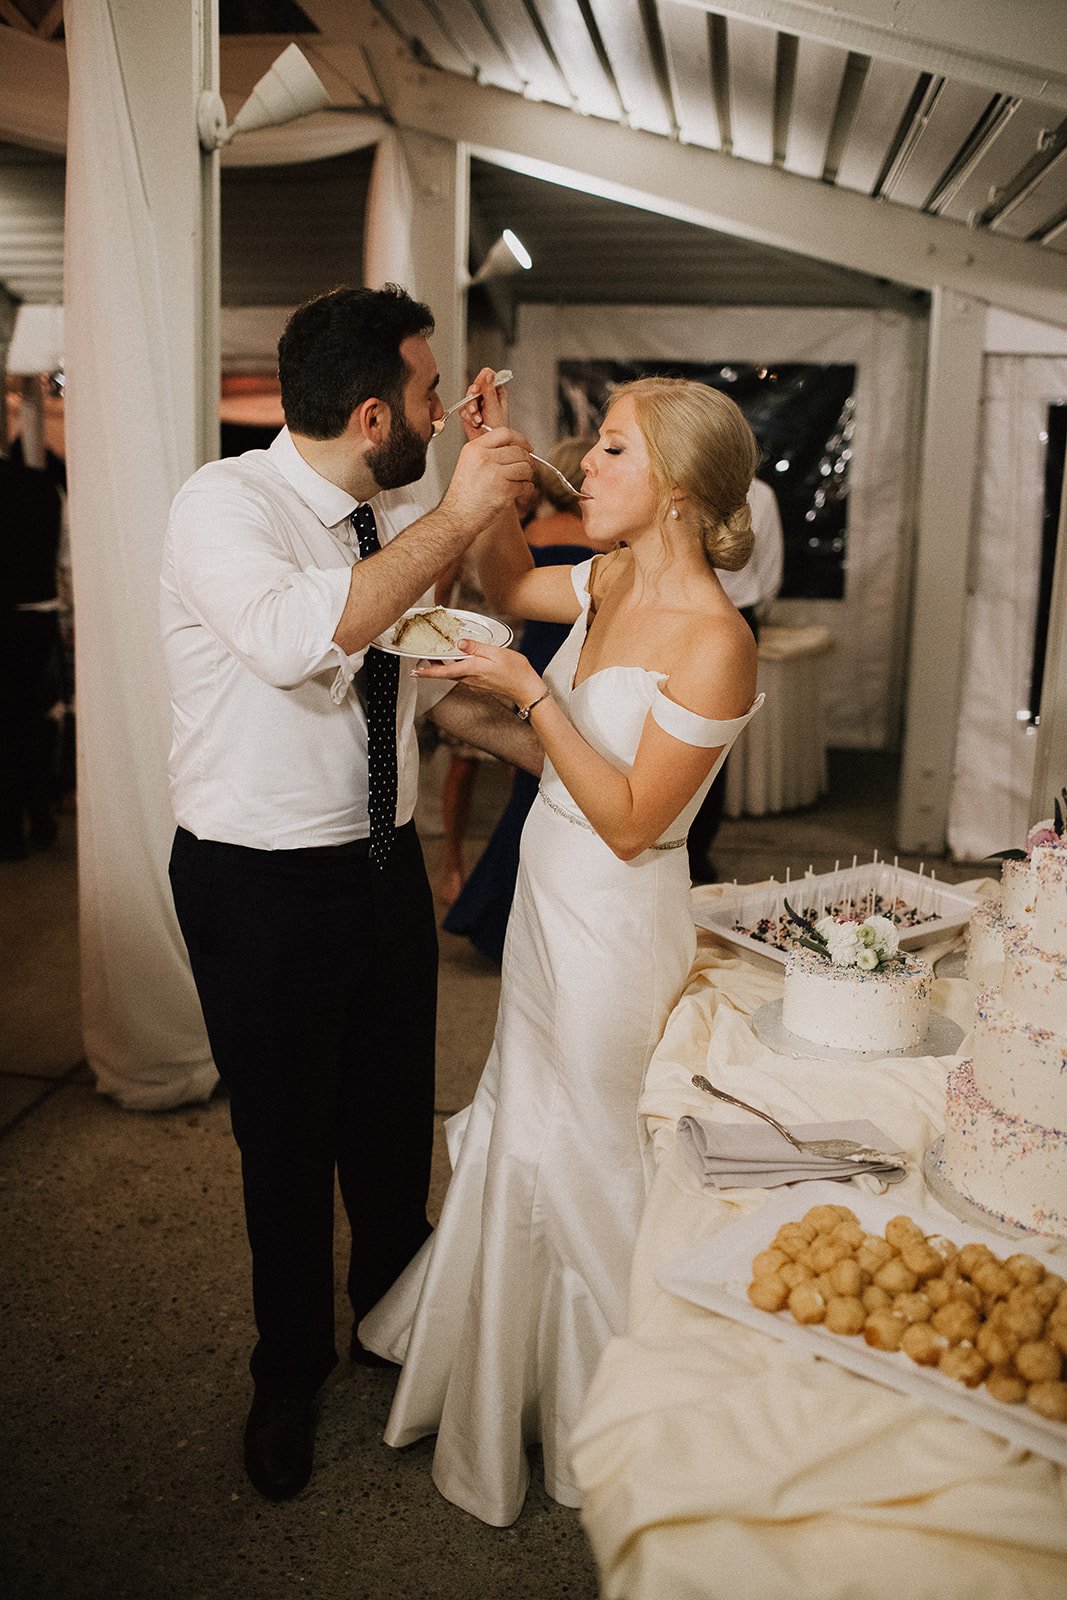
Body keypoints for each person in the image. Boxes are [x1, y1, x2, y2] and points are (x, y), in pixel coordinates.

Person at [359, 376, 764, 1525]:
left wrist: (528, 692)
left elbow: (635, 818)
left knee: (589, 1144)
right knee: (525, 1117)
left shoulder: (717, 641)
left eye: (612, 452)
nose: (583, 466)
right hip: (547, 900)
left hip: (617, 924)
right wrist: (488, 466)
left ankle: (615, 1405)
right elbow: (501, 582)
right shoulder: (611, 573)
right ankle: (499, 1371)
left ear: (677, 491)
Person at [161, 285, 539, 1503]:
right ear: (376, 414)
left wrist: (586, 763)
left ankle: (394, 1313)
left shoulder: (384, 523)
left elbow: (420, 685)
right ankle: (290, 1366)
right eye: (433, 394)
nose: (447, 407)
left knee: (387, 1126)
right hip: (259, 885)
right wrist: (457, 510)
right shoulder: (226, 505)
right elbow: (295, 642)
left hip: (377, 876)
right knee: (284, 1140)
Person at [442, 435, 602, 961]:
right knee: (536, 794)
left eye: (615, 450)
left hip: (541, 657)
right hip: (545, 666)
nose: (592, 465)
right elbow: (511, 588)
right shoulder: (605, 563)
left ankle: (490, 908)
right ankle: (500, 914)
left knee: (532, 797)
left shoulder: (549, 536)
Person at [687, 472, 784, 882]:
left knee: (713, 735)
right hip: (695, 611)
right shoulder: (754, 492)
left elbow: (770, 566)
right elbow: (771, 572)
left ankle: (696, 847)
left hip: (734, 614)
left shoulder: (760, 494)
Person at [0, 439, 66, 858]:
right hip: (35, 621)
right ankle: (39, 814)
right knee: (32, 721)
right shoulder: (43, 489)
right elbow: (67, 558)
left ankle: (7, 832)